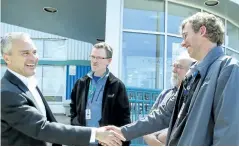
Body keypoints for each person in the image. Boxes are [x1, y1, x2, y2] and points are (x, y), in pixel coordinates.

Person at [104, 12, 239, 146]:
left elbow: (228, 133)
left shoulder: (228, 68)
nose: (183, 43)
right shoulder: (191, 75)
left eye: (185, 35)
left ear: (202, 31)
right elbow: (164, 114)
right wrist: (124, 132)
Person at [1, 32, 125, 146]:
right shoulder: (7, 93)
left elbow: (124, 116)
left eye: (34, 52)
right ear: (7, 58)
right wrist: (95, 133)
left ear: (109, 61)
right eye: (25, 53)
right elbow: (43, 128)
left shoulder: (117, 85)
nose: (33, 58)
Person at [69, 42, 131, 146]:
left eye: (99, 58)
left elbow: (124, 119)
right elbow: (73, 110)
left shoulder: (117, 86)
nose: (94, 61)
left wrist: (123, 143)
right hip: (83, 141)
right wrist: (76, 126)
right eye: (92, 57)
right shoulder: (81, 83)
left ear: (109, 61)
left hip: (105, 143)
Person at [143, 54, 194, 146]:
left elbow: (184, 131)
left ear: (190, 71)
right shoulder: (165, 94)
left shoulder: (194, 96)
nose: (174, 70)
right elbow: (148, 124)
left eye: (179, 67)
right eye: (173, 66)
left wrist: (156, 137)